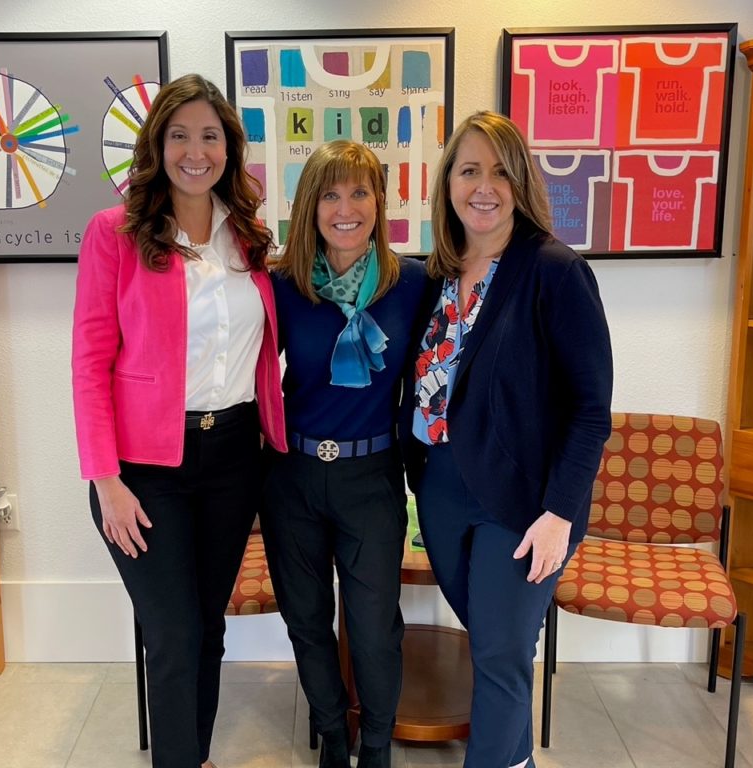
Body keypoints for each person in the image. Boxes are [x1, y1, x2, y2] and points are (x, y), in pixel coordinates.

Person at [71, 73, 287, 768]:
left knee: (207, 630)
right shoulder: (117, 233)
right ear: (157, 144)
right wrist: (105, 481)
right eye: (180, 135)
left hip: (232, 460)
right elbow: (90, 362)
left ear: (230, 147)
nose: (196, 151)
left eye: (211, 136)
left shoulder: (249, 237)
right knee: (171, 635)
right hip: (143, 472)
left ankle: (191, 754)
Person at [406, 112, 613, 768]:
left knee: (498, 653)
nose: (483, 185)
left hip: (526, 502)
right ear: (449, 184)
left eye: (499, 169)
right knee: (495, 640)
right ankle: (517, 757)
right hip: (440, 490)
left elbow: (589, 411)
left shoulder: (554, 271)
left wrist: (558, 516)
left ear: (520, 179)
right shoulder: (434, 272)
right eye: (469, 169)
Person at [261, 141, 428, 768]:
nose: (346, 208)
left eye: (360, 192)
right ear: (310, 206)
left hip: (372, 477)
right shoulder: (284, 285)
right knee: (306, 620)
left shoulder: (411, 282)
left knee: (374, 627)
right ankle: (334, 735)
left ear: (379, 203)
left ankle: (377, 745)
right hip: (293, 478)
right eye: (330, 194)